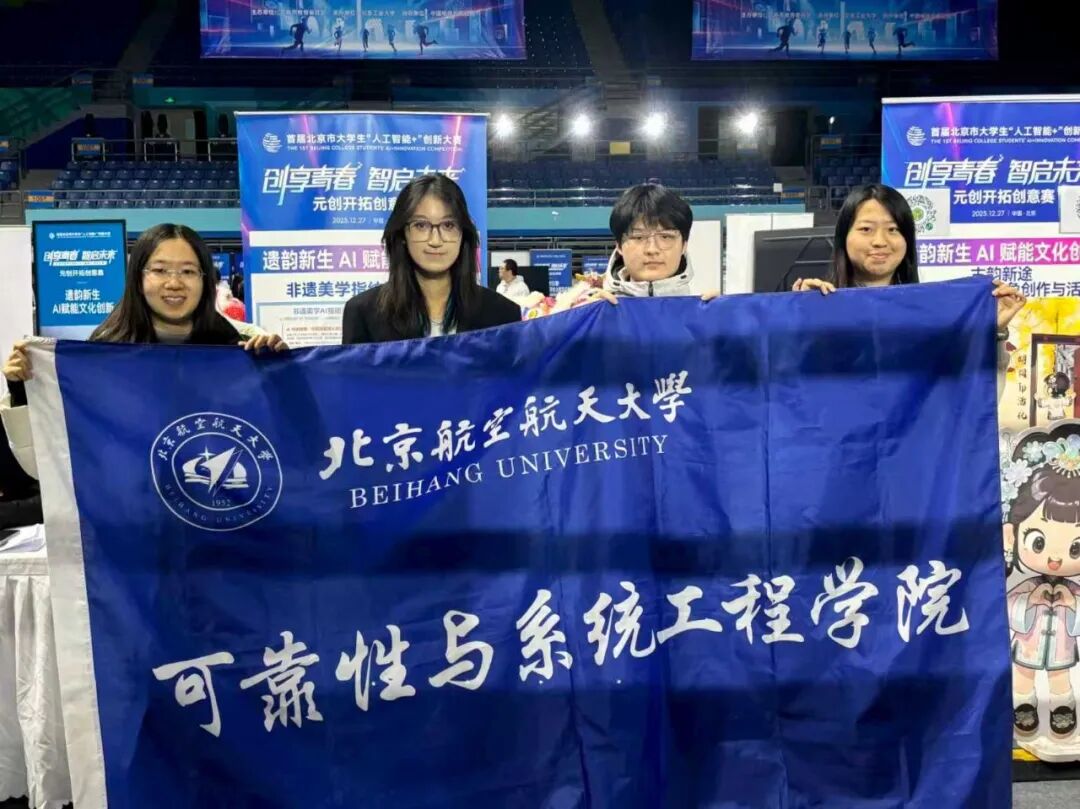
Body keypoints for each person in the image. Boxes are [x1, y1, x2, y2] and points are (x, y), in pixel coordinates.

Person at [2, 224, 286, 479]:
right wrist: (22, 388)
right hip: (131, 511)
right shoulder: (102, 355)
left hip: (217, 506)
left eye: (188, 271)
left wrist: (281, 374)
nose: (174, 283)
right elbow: (49, 462)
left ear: (205, 280)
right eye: (159, 270)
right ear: (138, 278)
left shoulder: (242, 347)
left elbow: (279, 442)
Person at [791, 184, 1026, 396]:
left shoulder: (933, 318)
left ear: (907, 239)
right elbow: (789, 396)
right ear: (844, 237)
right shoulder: (819, 308)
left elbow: (973, 404)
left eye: (893, 229)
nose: (880, 241)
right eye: (866, 229)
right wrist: (796, 321)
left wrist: (992, 331)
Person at [341, 174, 521, 344]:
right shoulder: (363, 313)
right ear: (402, 235)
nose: (435, 241)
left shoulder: (503, 314)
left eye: (448, 225)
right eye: (421, 225)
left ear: (463, 234)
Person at [1003, 423, 1080, 739]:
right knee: (1023, 675)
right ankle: (1024, 703)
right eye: (1038, 541)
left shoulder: (1073, 590)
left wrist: (1073, 603)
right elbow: (1008, 608)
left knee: (1060, 678)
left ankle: (1063, 705)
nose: (1055, 559)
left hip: (1061, 647)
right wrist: (1028, 602)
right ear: (1012, 534)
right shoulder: (1025, 586)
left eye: (1075, 547)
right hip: (1028, 645)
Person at [601, 184, 719, 301]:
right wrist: (591, 310)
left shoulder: (705, 308)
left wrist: (721, 311)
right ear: (619, 246)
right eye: (639, 237)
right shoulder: (599, 307)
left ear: (684, 245)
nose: (652, 249)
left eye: (665, 237)